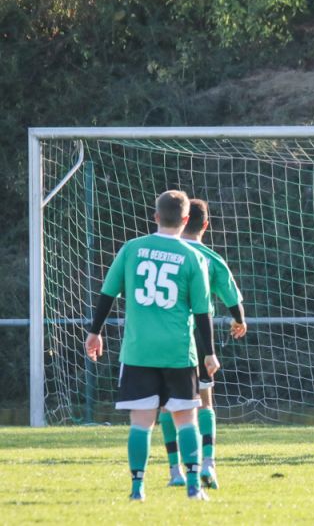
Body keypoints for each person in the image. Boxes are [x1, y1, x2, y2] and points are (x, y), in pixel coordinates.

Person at [84, 190, 219, 501]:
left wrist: (95, 332)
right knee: (186, 418)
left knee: (141, 422)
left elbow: (107, 293)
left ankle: (137, 489)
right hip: (178, 351)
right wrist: (210, 352)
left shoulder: (132, 249)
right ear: (186, 220)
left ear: (156, 216)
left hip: (138, 351)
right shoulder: (194, 257)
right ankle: (193, 487)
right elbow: (202, 312)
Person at [160, 199, 247, 489]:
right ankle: (208, 463)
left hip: (166, 332)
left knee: (168, 404)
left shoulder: (163, 252)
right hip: (199, 333)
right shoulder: (211, 258)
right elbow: (232, 299)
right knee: (205, 400)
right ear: (205, 225)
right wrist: (239, 321)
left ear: (182, 220)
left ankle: (175, 471)